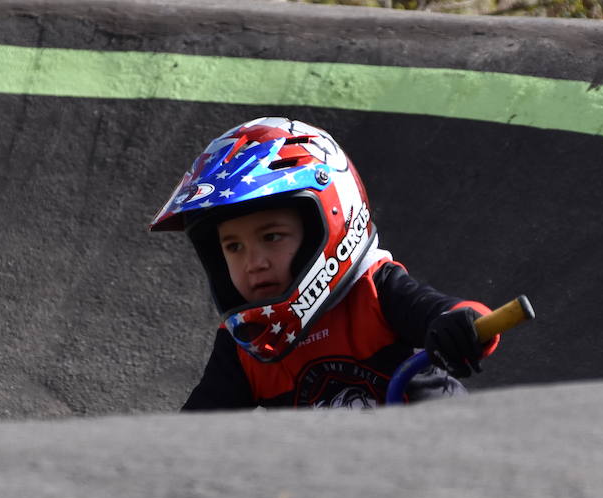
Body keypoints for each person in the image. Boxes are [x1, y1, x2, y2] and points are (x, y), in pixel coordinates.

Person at [150, 116, 501, 410]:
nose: (253, 262)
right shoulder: (244, 341)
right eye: (233, 247)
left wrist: (461, 326)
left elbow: (455, 313)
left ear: (329, 224)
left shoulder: (374, 291)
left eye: (271, 237)